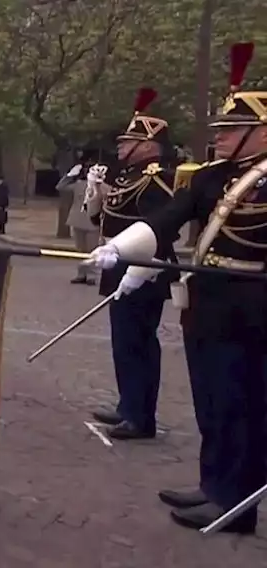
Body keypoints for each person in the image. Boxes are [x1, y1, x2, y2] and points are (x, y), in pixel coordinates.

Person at [84, 42, 264, 534]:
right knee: (212, 400)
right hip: (208, 304)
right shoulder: (211, 178)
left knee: (243, 405)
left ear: (261, 132)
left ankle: (236, 502)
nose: (221, 137)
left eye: (232, 130)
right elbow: (169, 216)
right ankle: (214, 486)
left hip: (254, 309)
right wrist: (121, 248)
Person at [87, 88, 177, 441]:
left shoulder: (157, 177)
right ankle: (128, 405)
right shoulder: (126, 176)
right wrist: (95, 195)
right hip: (117, 263)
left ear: (148, 145)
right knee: (123, 342)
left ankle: (141, 417)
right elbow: (106, 221)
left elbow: (160, 227)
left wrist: (138, 266)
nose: (121, 147)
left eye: (129, 142)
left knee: (138, 341)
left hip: (144, 269)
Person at [57, 155, 102, 285]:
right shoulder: (78, 184)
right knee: (80, 250)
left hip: (93, 221)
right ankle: (81, 274)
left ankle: (91, 276)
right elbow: (60, 187)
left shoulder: (100, 185)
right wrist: (70, 175)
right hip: (78, 219)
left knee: (92, 251)